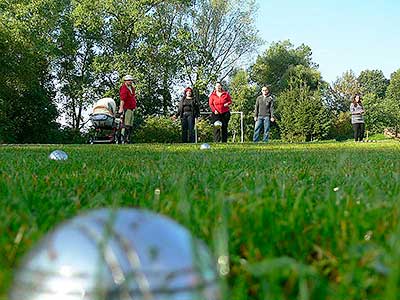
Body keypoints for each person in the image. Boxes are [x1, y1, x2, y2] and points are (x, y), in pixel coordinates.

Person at [118, 75, 137, 143]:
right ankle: (123, 139)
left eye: (131, 80)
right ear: (125, 81)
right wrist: (121, 108)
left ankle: (128, 139)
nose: (130, 81)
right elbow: (122, 99)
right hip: (127, 108)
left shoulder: (132, 88)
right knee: (126, 124)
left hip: (132, 108)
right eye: (129, 80)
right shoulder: (124, 88)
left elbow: (133, 98)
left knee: (130, 125)